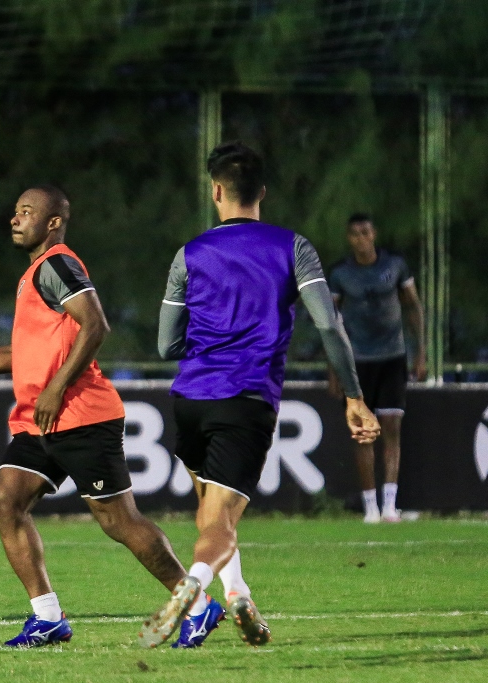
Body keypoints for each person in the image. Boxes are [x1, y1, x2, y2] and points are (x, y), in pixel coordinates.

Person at [0, 185, 198, 649]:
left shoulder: (58, 264)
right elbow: (20, 354)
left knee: (118, 523)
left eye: (27, 212)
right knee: (7, 502)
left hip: (81, 414)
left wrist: (57, 386)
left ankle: (195, 605)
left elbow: (97, 323)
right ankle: (47, 617)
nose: (15, 218)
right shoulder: (35, 275)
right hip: (41, 420)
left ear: (53, 222)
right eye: (16, 211)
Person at [154, 141, 381, 648]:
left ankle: (237, 595)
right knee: (221, 523)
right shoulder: (293, 247)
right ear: (262, 193)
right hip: (247, 399)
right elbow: (329, 325)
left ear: (216, 191)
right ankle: (195, 587)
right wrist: (354, 395)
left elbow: (166, 343)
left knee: (207, 504)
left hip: (190, 397)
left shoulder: (189, 254)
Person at [327, 213, 426, 523]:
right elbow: (329, 322)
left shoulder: (394, 266)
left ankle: (389, 505)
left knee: (392, 427)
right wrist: (334, 368)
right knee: (363, 432)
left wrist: (420, 352)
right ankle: (370, 507)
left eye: (366, 232)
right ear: (349, 238)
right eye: (355, 233)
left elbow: (412, 305)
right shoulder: (341, 274)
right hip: (357, 361)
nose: (361, 239)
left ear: (374, 234)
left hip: (393, 356)